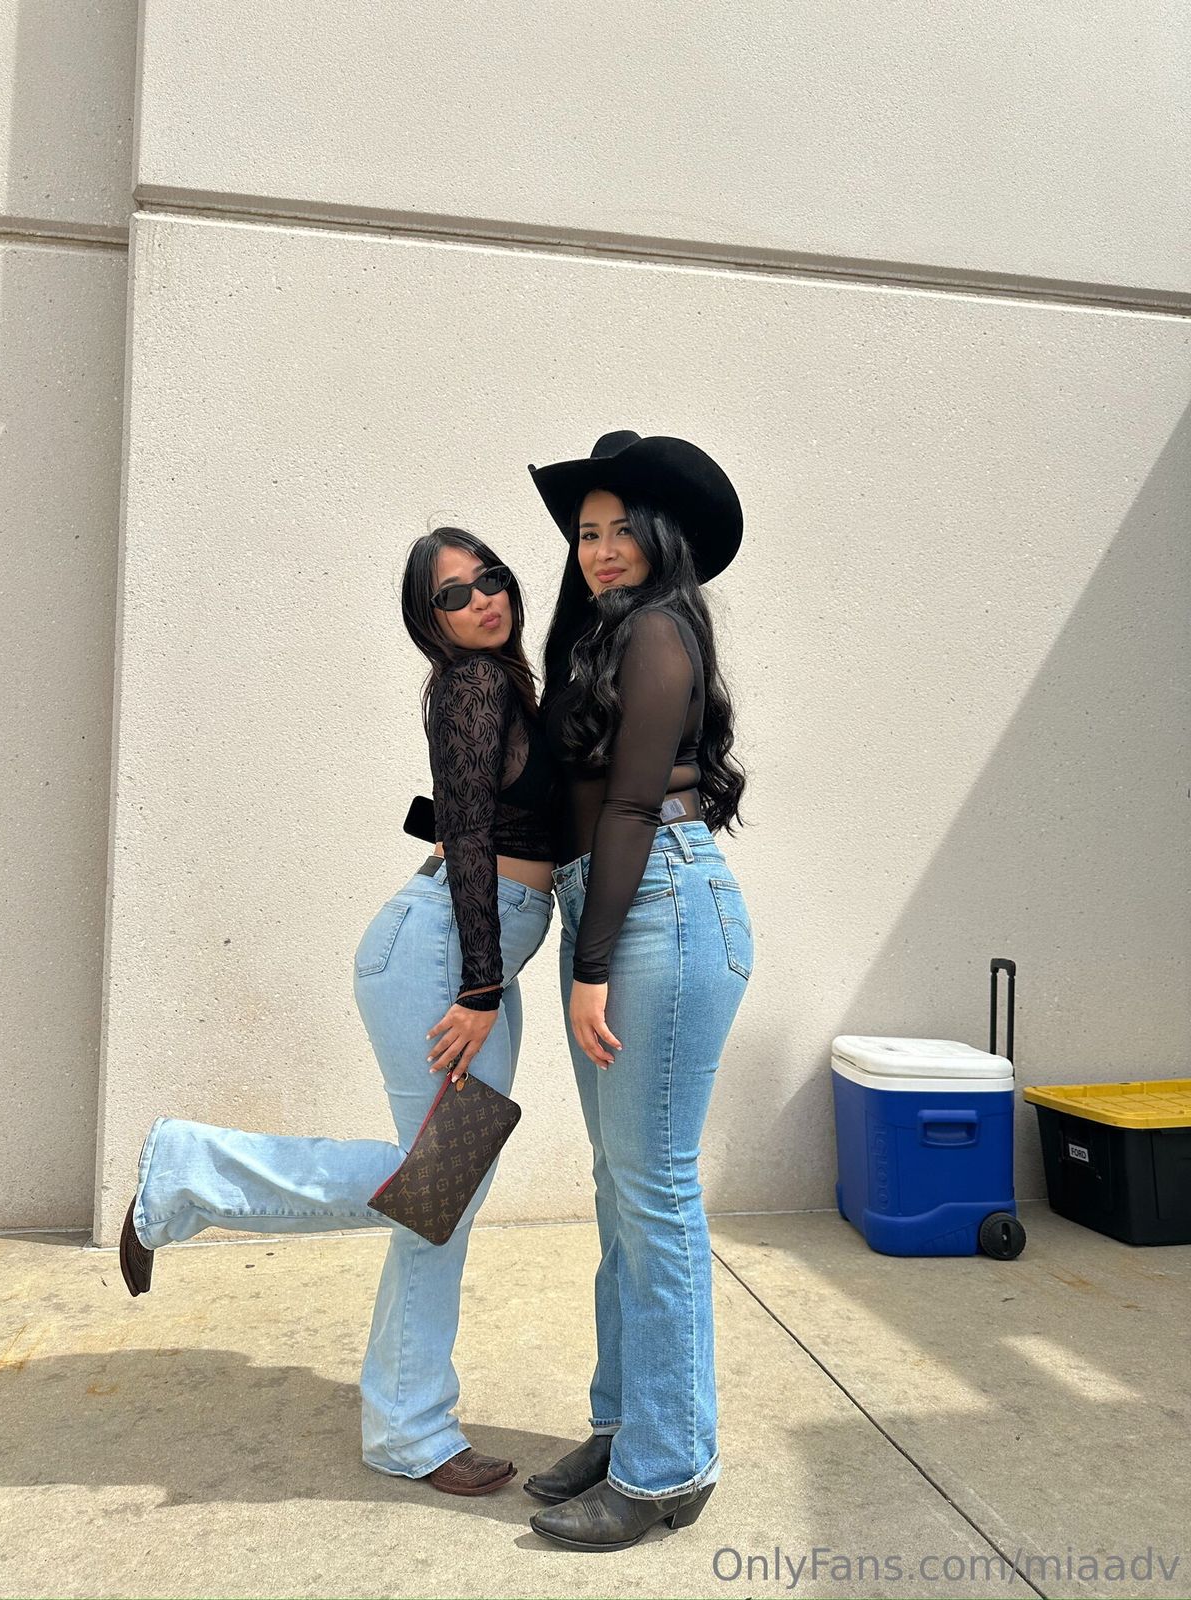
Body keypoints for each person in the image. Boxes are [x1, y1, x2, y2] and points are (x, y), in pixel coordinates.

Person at [117, 526, 557, 1496]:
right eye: (454, 594)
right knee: (438, 1186)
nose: (482, 598)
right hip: (448, 956)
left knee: (441, 1197)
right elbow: (469, 836)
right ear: (429, 621)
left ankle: (407, 1425)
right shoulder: (471, 685)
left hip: (471, 949)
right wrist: (480, 987)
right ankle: (191, 1169)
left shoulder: (508, 683)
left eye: (490, 578)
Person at [517, 430, 754, 1552]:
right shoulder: (603, 640)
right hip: (615, 905)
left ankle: (671, 1463)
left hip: (657, 907)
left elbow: (625, 806)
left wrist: (592, 965)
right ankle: (624, 1426)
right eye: (586, 532)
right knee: (621, 1191)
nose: (601, 549)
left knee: (653, 1192)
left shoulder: (660, 629)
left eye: (621, 530)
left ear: (663, 538)